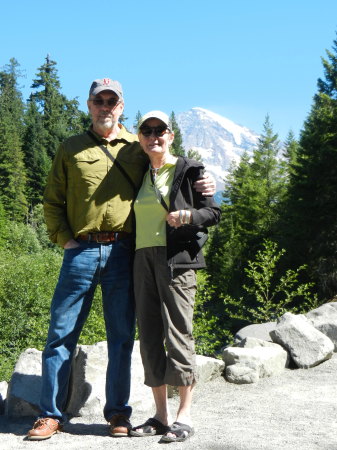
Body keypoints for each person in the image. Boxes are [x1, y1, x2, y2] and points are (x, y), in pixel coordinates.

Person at [27, 79, 215, 441]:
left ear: (121, 107)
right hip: (80, 250)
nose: (105, 107)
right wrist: (64, 240)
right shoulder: (71, 148)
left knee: (122, 337)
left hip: (124, 252)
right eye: (99, 100)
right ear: (89, 104)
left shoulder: (137, 145)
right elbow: (52, 201)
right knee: (60, 334)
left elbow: (173, 169)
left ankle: (118, 413)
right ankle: (50, 415)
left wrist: (205, 182)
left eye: (112, 101)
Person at [130, 111, 221, 443]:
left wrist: (189, 215)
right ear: (139, 138)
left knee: (179, 332)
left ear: (171, 135)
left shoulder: (189, 170)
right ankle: (160, 415)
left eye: (160, 130)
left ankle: (184, 416)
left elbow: (213, 212)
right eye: (147, 130)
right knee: (150, 335)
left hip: (177, 260)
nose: (154, 135)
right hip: (142, 259)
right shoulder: (137, 170)